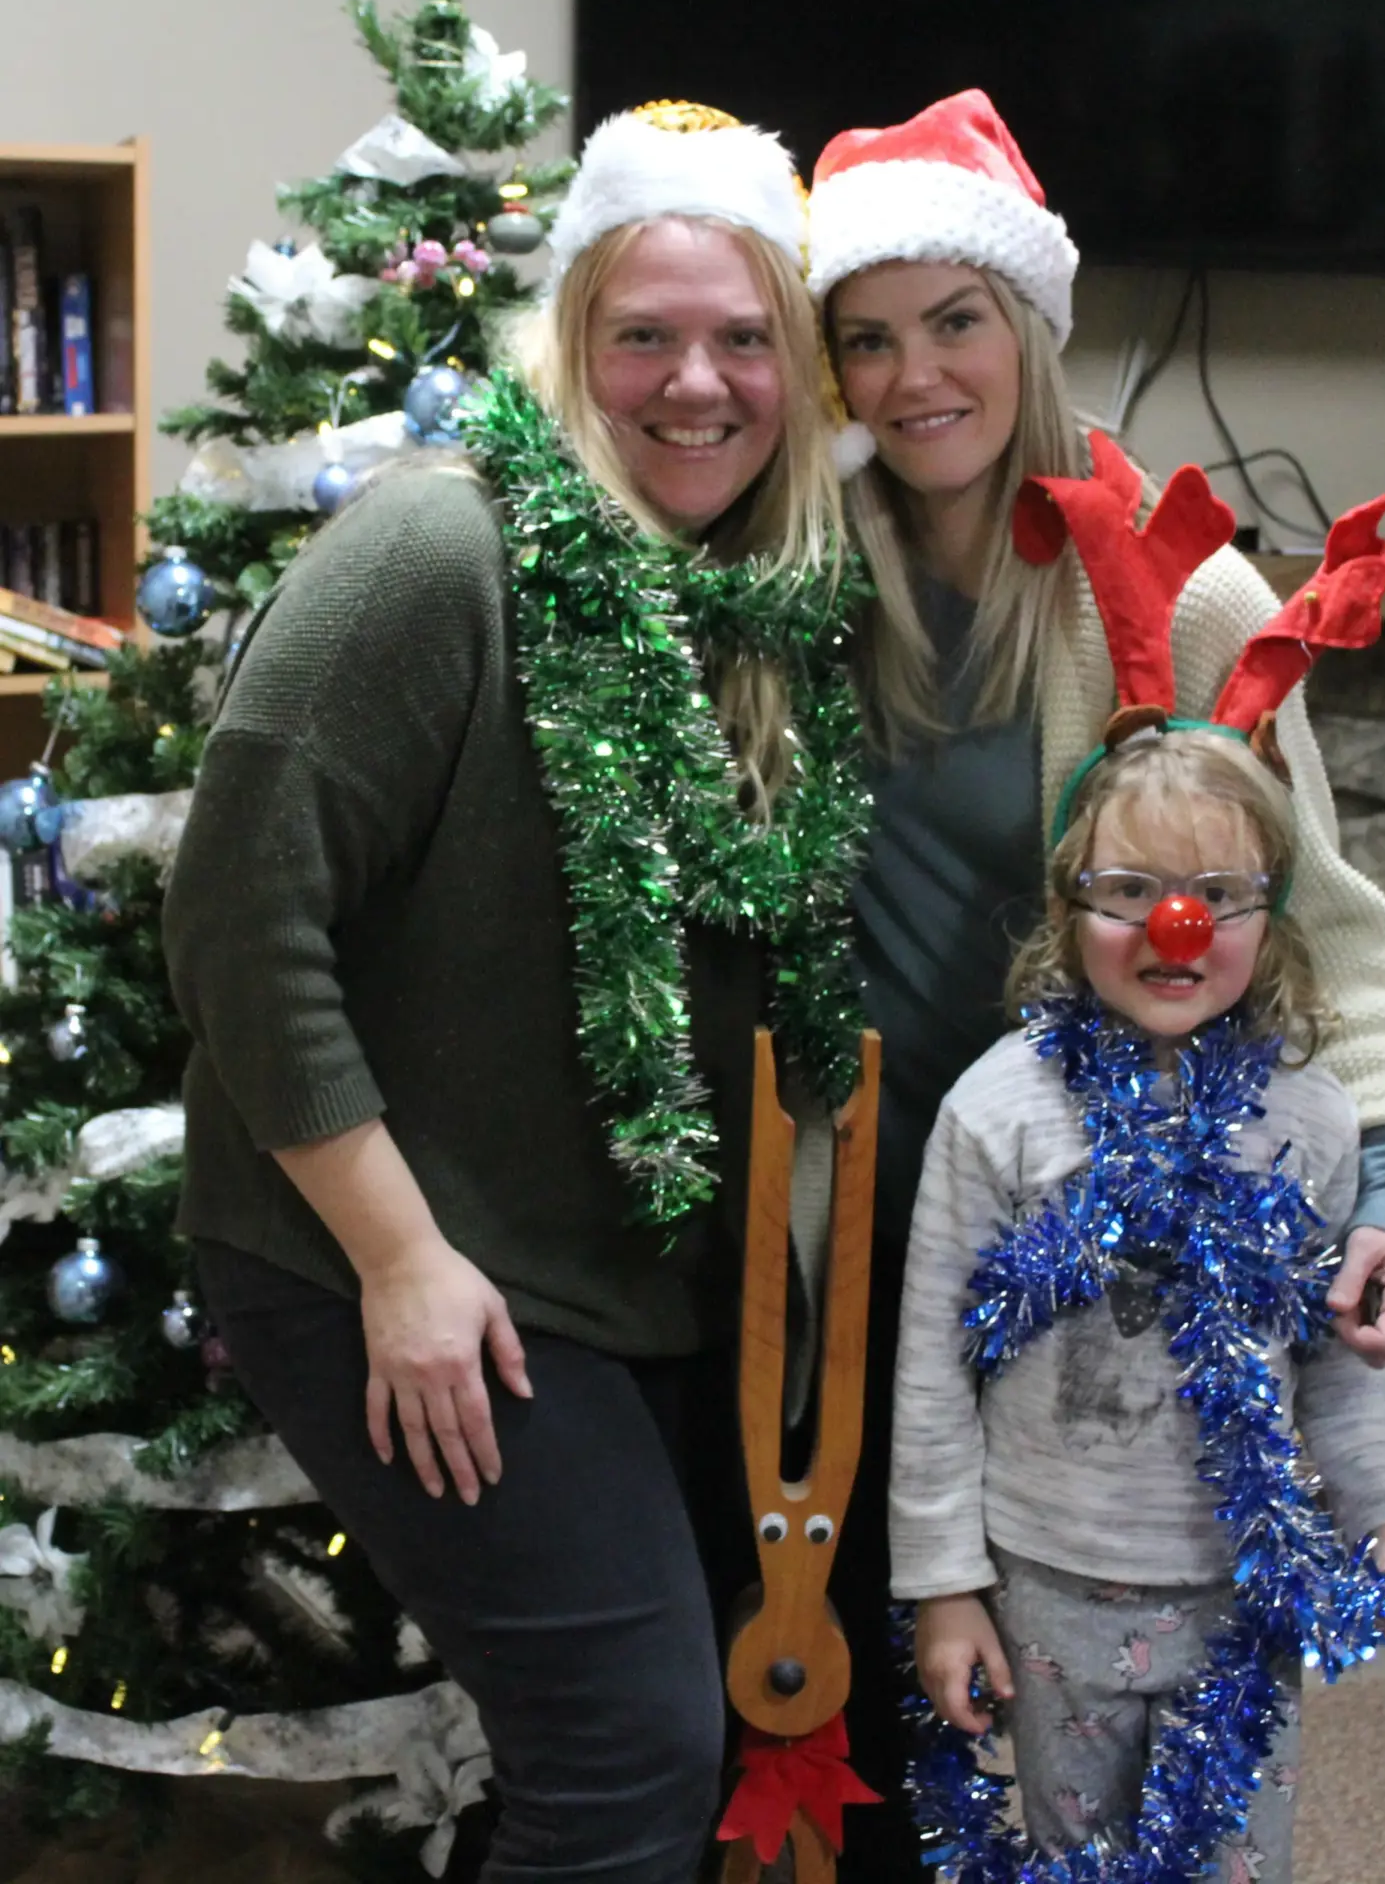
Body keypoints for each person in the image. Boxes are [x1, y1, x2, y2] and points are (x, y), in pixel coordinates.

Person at [163, 102, 863, 1884]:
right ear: (573, 346)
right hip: (385, 1243)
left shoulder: (767, 616)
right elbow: (239, 915)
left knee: (668, 1733)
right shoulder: (437, 552)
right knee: (627, 1746)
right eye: (644, 334)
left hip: (612, 1273)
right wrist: (400, 1261)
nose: (692, 383)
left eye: (738, 341)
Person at [803, 88, 1385, 1879]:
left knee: (1112, 1695)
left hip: (1091, 1222)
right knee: (873, 1668)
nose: (917, 373)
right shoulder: (793, 589)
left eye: (956, 321)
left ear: (1024, 325)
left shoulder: (1191, 596)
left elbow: (1332, 927)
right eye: (867, 335)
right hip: (865, 1203)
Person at [892, 719, 1385, 1883]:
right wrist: (944, 1586)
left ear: (1269, 914)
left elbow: (1336, 1367)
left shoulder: (1313, 1121)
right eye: (1128, 890)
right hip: (1043, 1581)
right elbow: (930, 1370)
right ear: (1064, 905)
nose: (1173, 925)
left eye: (1213, 893)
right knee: (1072, 1857)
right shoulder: (996, 1113)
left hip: (1235, 1589)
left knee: (1234, 1865)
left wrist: (1382, 1522)